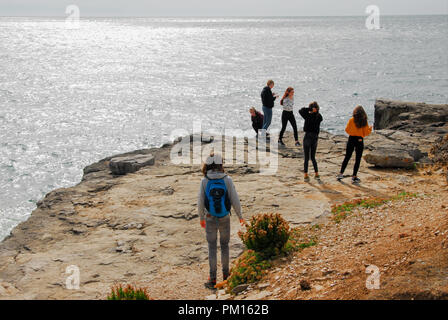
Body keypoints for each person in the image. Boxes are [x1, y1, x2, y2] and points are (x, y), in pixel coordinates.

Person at [198, 153, 245, 290]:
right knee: (225, 246)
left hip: (210, 217)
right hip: (225, 216)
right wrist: (240, 215)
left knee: (212, 247)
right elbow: (235, 199)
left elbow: (200, 202)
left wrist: (201, 218)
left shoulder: (204, 181)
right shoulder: (227, 180)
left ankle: (212, 278)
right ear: (220, 164)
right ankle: (226, 275)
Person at [337, 106, 372, 184]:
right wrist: (370, 129)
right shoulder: (364, 121)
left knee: (347, 157)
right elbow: (365, 133)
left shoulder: (351, 120)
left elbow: (347, 130)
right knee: (358, 159)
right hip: (359, 140)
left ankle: (340, 174)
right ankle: (354, 176)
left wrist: (353, 131)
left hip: (351, 139)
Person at [299, 101, 323, 182]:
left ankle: (306, 175)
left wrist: (309, 109)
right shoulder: (319, 116)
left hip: (307, 137)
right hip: (315, 138)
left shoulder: (307, 115)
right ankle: (316, 174)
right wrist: (315, 110)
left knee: (306, 158)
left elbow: (301, 110)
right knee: (313, 157)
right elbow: (320, 117)